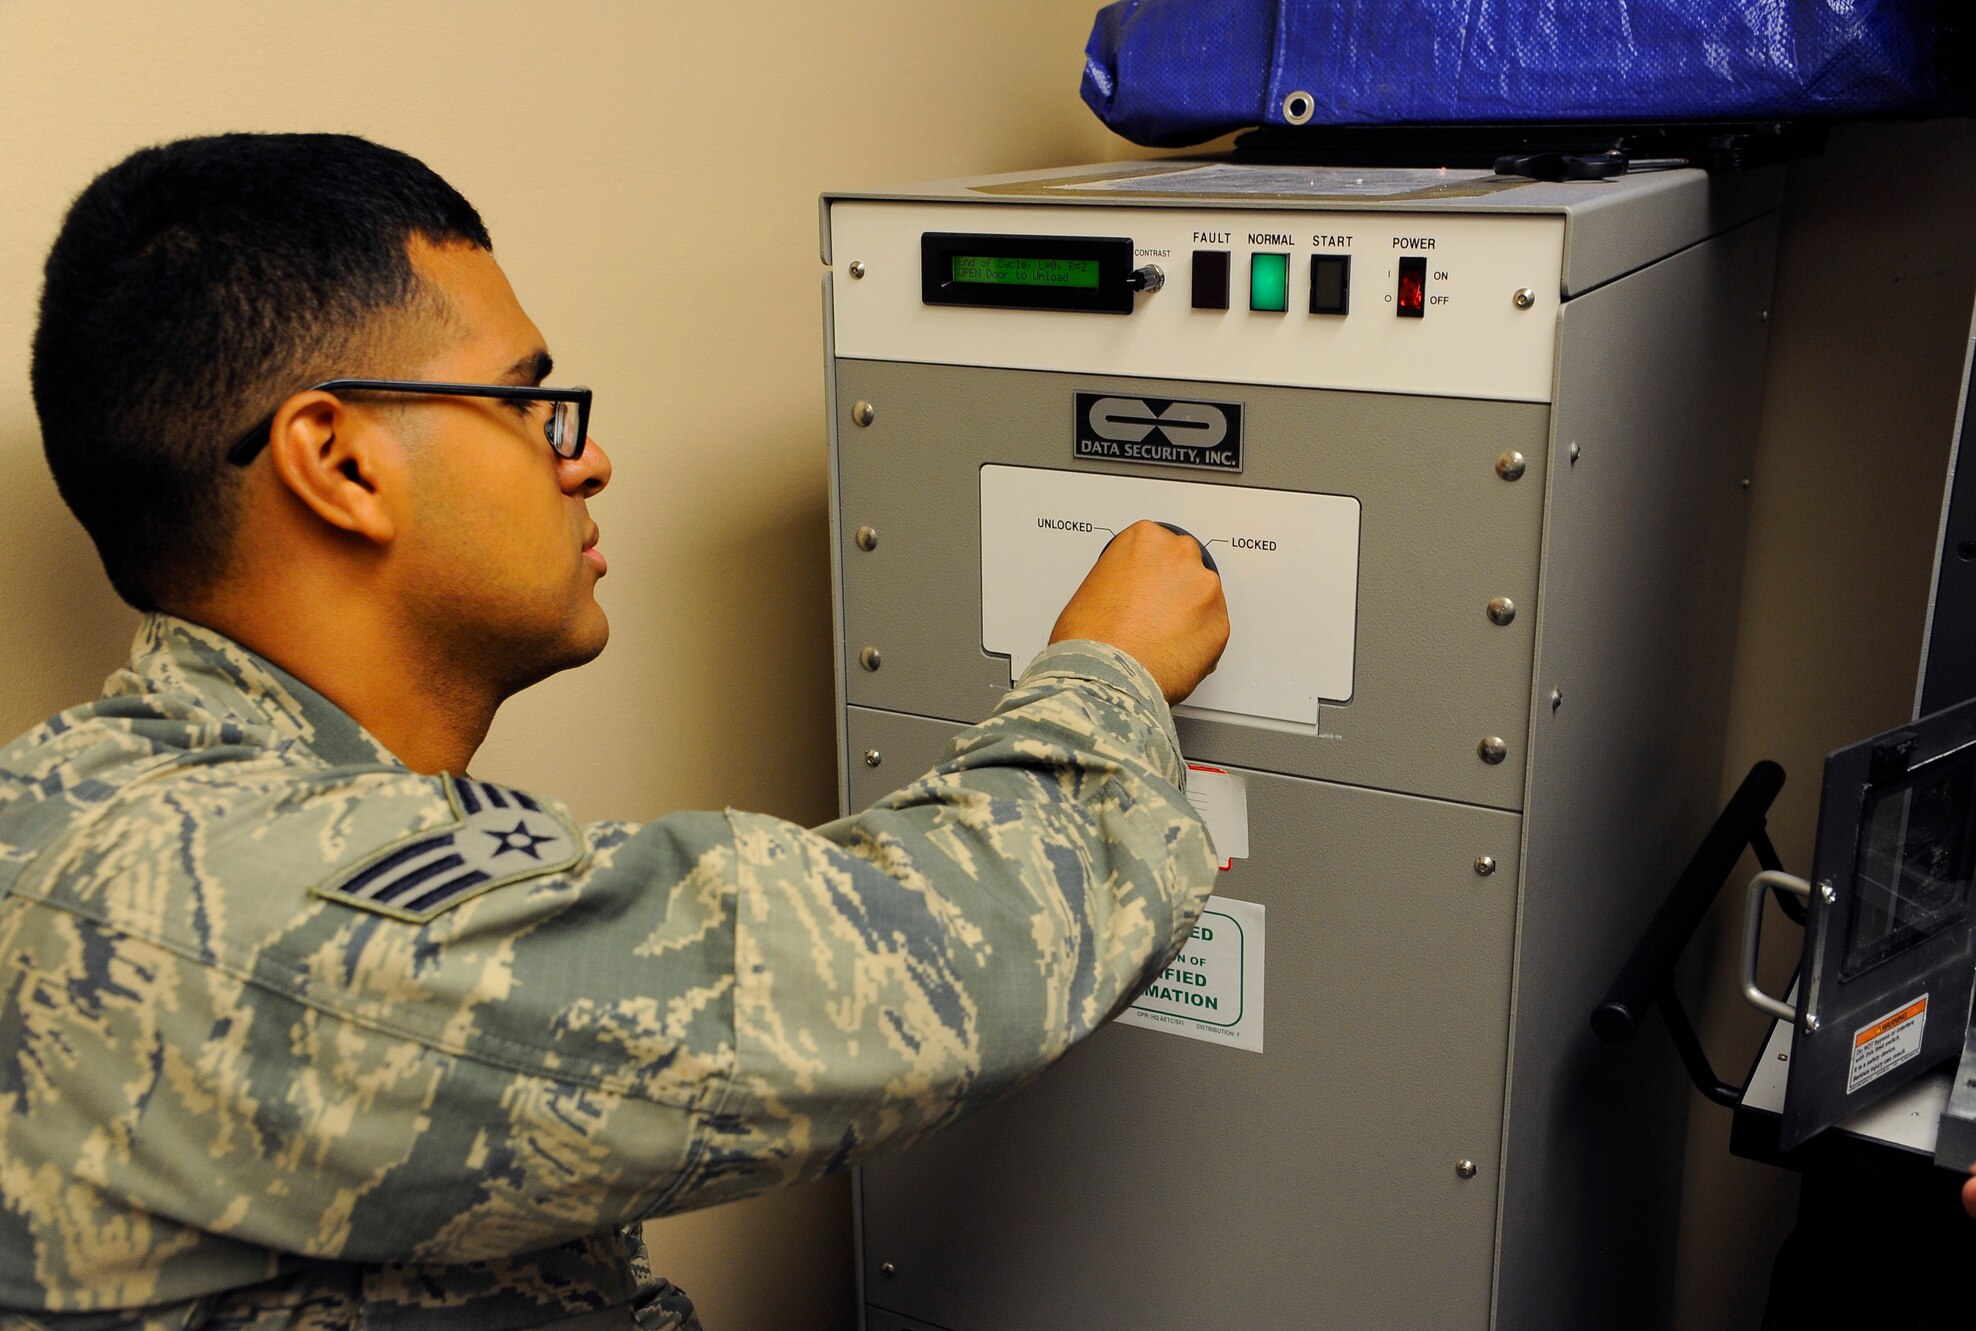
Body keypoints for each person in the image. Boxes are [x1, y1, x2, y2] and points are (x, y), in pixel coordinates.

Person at [0, 133, 1229, 1330]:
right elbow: (914, 969)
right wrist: (1107, 669)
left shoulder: (97, 795)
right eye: (526, 400)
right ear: (339, 462)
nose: (584, 460)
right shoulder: (228, 903)